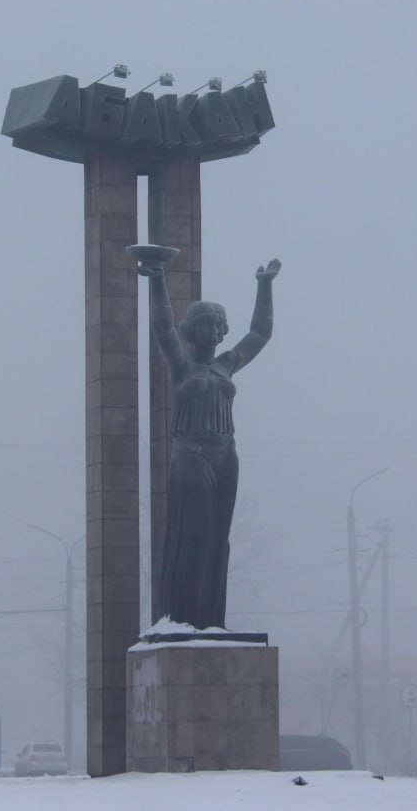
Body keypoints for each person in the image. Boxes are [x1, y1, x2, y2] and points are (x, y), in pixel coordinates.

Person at [136, 256, 280, 630]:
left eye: (220, 325)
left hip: (225, 454)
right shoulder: (181, 365)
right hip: (191, 455)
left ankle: (211, 621)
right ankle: (184, 618)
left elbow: (260, 334)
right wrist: (157, 280)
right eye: (208, 325)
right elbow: (162, 326)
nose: (216, 332)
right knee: (197, 535)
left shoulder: (227, 364)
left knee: (219, 538)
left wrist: (264, 286)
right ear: (194, 330)